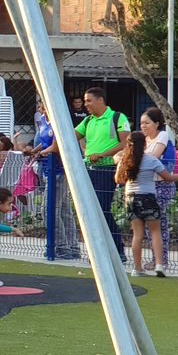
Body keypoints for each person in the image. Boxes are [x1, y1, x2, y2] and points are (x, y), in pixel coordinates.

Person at [115, 131, 178, 277]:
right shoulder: (151, 160)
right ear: (144, 144)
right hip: (148, 197)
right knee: (156, 232)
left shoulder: (125, 160)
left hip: (131, 198)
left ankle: (137, 268)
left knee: (137, 234)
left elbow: (118, 179)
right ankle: (159, 264)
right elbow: (168, 178)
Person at [75, 87, 129, 261]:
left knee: (102, 209)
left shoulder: (117, 117)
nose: (85, 104)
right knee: (91, 211)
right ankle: (102, 251)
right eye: (85, 101)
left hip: (107, 170)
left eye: (89, 100)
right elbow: (70, 135)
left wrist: (103, 155)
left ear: (100, 100)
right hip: (89, 170)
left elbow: (125, 143)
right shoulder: (88, 120)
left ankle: (116, 250)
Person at [34, 105, 80, 260]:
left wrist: (42, 153)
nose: (41, 108)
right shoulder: (42, 121)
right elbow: (45, 140)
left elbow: (57, 145)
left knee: (49, 210)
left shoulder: (58, 121)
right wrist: (34, 151)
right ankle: (72, 246)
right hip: (48, 168)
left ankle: (61, 246)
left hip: (59, 170)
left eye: (44, 105)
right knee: (64, 209)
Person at [140, 108, 177, 270]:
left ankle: (162, 260)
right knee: (150, 223)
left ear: (156, 123)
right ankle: (156, 259)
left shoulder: (162, 136)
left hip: (163, 185)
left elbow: (153, 156)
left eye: (147, 123)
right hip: (149, 184)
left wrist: (137, 158)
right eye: (141, 123)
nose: (143, 126)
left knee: (159, 222)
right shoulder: (144, 140)